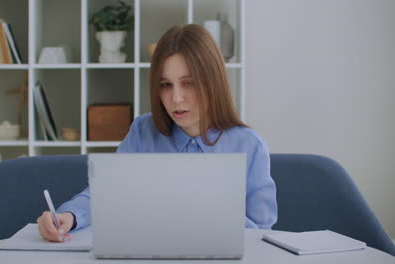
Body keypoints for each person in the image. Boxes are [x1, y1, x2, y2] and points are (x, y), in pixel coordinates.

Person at [37, 24, 277, 242]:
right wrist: (69, 215)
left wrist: (211, 215)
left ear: (212, 82)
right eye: (165, 85)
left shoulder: (250, 146)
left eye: (188, 83)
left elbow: (262, 233)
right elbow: (104, 193)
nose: (176, 98)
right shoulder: (143, 132)